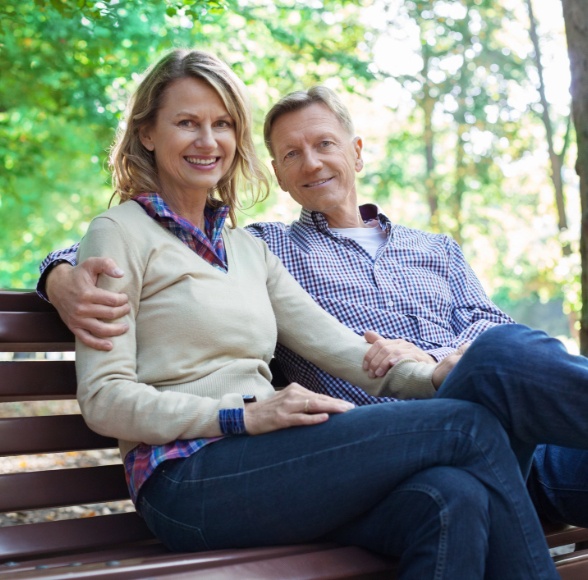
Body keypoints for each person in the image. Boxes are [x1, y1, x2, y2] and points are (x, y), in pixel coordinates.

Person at [63, 47, 561, 578]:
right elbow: (104, 399)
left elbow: (347, 352)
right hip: (187, 479)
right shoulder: (119, 232)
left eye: (223, 124)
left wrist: (440, 373)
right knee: (467, 427)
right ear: (147, 133)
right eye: (187, 123)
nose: (208, 141)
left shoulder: (248, 251)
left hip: (273, 465)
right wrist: (240, 414)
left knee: (450, 497)